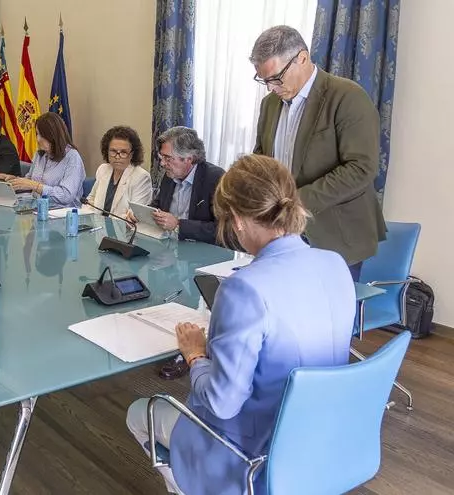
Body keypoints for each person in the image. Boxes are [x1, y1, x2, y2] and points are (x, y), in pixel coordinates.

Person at [126, 154, 355, 495]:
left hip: (252, 452)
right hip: (320, 436)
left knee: (137, 413)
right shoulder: (335, 264)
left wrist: (194, 356)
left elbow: (221, 403)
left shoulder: (243, 288)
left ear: (236, 220)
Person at [251, 25, 385, 281]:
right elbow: (263, 158)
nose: (270, 88)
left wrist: (296, 202)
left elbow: (361, 168)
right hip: (283, 234)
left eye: (275, 78)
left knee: (328, 318)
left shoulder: (347, 97)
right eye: (263, 80)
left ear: (302, 58)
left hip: (335, 236)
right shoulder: (270, 104)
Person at [129, 126, 224, 245]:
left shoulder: (215, 179)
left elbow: (223, 229)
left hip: (201, 252)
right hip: (169, 247)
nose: (163, 163)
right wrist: (140, 215)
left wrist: (178, 224)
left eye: (168, 158)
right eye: (161, 157)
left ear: (189, 158)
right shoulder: (170, 176)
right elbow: (158, 206)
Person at [0, 112, 85, 209]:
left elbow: (66, 196)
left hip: (63, 214)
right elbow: (30, 181)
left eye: (42, 135)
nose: (38, 139)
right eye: (37, 134)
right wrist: (14, 180)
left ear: (53, 135)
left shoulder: (72, 157)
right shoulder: (40, 155)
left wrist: (36, 186)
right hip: (37, 209)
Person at [86, 125, 152, 217]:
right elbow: (91, 200)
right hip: (96, 226)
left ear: (132, 154)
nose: (117, 157)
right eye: (113, 151)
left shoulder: (141, 177)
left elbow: (134, 216)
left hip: (123, 229)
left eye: (123, 152)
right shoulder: (103, 169)